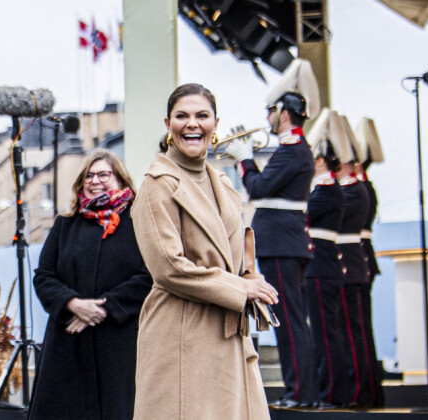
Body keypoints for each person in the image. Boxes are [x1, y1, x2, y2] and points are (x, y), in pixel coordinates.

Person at [131, 83, 277, 420]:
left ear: (215, 123)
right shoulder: (157, 184)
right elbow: (168, 268)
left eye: (202, 115)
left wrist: (251, 280)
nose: (192, 123)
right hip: (182, 333)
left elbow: (236, 253)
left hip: (227, 333)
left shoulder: (223, 182)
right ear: (168, 125)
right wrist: (240, 288)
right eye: (182, 116)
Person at [28, 149, 152, 420]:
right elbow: (44, 275)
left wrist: (103, 308)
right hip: (68, 342)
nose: (94, 181)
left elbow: (149, 275)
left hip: (119, 341)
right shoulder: (65, 224)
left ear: (121, 180)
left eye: (104, 175)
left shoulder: (140, 222)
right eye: (89, 176)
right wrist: (73, 303)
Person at [225, 59, 320, 409]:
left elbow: (258, 187)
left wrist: (244, 159)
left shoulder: (293, 150)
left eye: (270, 111)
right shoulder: (292, 149)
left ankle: (301, 393)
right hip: (285, 240)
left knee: (290, 321)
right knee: (292, 319)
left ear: (282, 113)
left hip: (282, 241)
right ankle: (301, 392)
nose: (266, 118)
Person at [304, 108, 350, 409]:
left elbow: (306, 216)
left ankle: (331, 393)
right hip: (322, 265)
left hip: (322, 267)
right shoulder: (324, 189)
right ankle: (331, 391)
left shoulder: (326, 191)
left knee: (326, 335)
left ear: (320, 159)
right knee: (325, 333)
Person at [335, 115, 373, 407]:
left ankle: (361, 392)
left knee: (353, 333)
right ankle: (363, 390)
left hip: (350, 262)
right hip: (352, 261)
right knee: (354, 332)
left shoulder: (351, 189)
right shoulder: (355, 187)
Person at [355, 117, 386, 407]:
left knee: (359, 328)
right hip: (360, 256)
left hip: (357, 256)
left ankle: (367, 389)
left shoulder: (360, 187)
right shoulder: (365, 185)